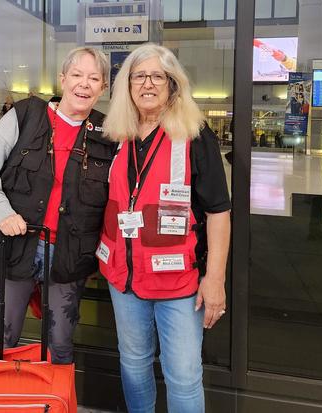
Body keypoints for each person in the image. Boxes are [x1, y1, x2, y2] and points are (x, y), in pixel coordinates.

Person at [98, 44, 231, 412]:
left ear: (173, 84)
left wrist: (215, 279)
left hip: (178, 284)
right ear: (126, 85)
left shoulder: (194, 135)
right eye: (139, 76)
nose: (148, 84)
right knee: (134, 363)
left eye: (158, 76)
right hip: (124, 278)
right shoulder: (115, 135)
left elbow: (219, 211)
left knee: (184, 375)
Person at [0, 47, 115, 363]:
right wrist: (1, 212)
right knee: (0, 344)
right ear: (63, 79)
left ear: (103, 87)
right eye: (77, 75)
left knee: (60, 346)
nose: (84, 84)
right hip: (10, 248)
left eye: (93, 78)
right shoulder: (26, 114)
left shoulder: (110, 133)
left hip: (68, 256)